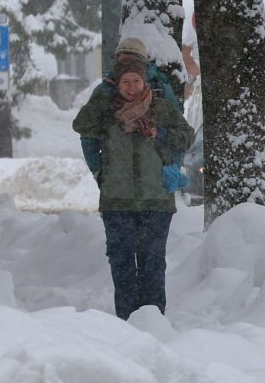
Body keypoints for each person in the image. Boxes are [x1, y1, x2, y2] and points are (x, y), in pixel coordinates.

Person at [73, 37, 195, 320]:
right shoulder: (105, 103)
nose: (131, 87)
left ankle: (153, 321)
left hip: (155, 199)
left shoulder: (161, 104)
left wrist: (160, 134)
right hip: (117, 200)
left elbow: (185, 137)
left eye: (136, 81)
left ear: (144, 76)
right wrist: (99, 171)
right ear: (117, 78)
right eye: (125, 81)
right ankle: (126, 321)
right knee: (122, 263)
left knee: (153, 263)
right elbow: (83, 128)